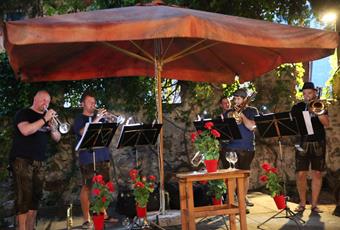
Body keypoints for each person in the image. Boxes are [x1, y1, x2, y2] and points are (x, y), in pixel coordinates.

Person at [9, 90, 61, 230]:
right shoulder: (24, 113)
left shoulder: (47, 118)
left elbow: (57, 138)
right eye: (43, 100)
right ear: (35, 98)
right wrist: (44, 119)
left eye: (48, 101)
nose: (46, 104)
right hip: (22, 159)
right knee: (24, 196)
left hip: (40, 160)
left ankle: (31, 227)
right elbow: (26, 130)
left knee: (36, 197)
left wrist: (53, 128)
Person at [74, 91, 117, 229]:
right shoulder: (79, 118)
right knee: (87, 187)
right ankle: (86, 219)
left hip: (102, 155)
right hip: (87, 156)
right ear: (82, 104)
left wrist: (111, 119)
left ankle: (103, 214)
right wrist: (97, 119)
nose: (93, 105)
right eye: (90, 102)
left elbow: (110, 129)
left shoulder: (100, 118)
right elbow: (81, 132)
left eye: (94, 102)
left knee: (104, 185)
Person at [291, 82, 329, 213]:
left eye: (310, 93)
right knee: (301, 173)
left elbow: (326, 123)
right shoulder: (297, 107)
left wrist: (317, 112)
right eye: (305, 93)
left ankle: (314, 205)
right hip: (302, 142)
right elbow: (292, 124)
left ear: (314, 93)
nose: (307, 96)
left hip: (318, 142)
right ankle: (302, 203)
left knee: (317, 173)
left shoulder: (320, 105)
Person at [221, 88, 258, 209]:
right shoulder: (228, 112)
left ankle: (242, 200)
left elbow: (252, 126)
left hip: (247, 147)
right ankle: (230, 200)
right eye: (235, 99)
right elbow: (226, 132)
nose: (236, 101)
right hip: (231, 147)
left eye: (238, 99)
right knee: (231, 175)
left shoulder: (252, 111)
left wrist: (241, 114)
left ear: (244, 99)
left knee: (244, 175)